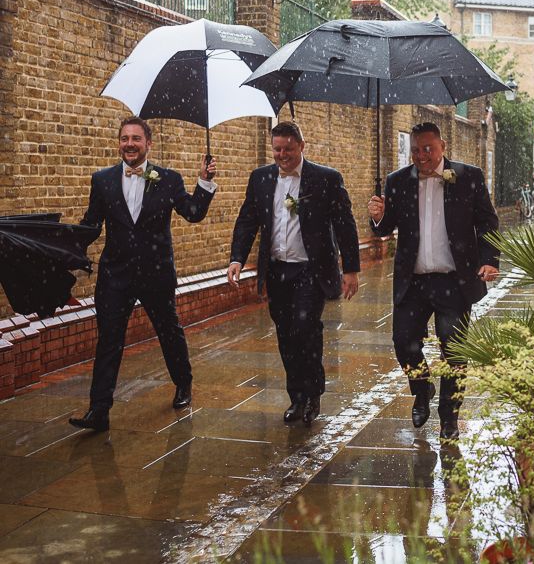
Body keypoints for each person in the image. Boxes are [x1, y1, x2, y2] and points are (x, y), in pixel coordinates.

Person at [69, 117, 217, 432]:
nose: (130, 144)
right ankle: (99, 410)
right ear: (119, 143)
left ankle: (183, 383)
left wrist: (203, 183)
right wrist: (63, 247)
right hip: (115, 275)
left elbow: (193, 213)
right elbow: (91, 225)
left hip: (156, 272)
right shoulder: (103, 180)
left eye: (136, 138)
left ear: (148, 143)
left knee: (168, 330)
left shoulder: (169, 179)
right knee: (109, 340)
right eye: (125, 139)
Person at [367, 121, 499, 441]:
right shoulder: (397, 181)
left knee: (453, 351)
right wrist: (377, 216)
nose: (421, 156)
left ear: (442, 147)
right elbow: (385, 230)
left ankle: (449, 418)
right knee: (403, 342)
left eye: (428, 149)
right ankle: (422, 387)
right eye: (415, 150)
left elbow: (487, 222)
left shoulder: (468, 177)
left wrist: (488, 260)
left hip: (454, 281)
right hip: (413, 282)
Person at [227, 121, 360, 427]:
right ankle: (296, 396)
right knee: (286, 334)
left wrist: (351, 268)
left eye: (288, 148)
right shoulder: (260, 178)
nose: (282, 155)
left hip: (310, 270)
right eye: (277, 149)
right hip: (276, 270)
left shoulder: (325, 178)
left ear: (302, 146)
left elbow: (345, 224)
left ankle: (313, 393)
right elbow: (247, 220)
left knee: (305, 327)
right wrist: (237, 258)